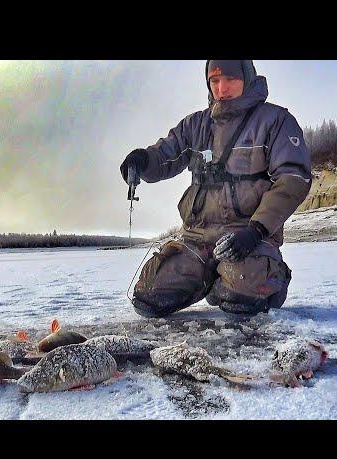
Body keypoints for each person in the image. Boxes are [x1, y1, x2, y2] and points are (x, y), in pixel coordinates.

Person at [120, 60, 312, 318]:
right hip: (197, 239)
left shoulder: (276, 121)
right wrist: (142, 160)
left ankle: (269, 280)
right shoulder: (195, 125)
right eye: (215, 81)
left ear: (247, 77)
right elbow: (166, 155)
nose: (222, 88)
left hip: (248, 238)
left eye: (231, 79)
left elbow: (292, 178)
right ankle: (212, 276)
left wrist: (256, 231)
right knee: (149, 294)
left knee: (242, 296)